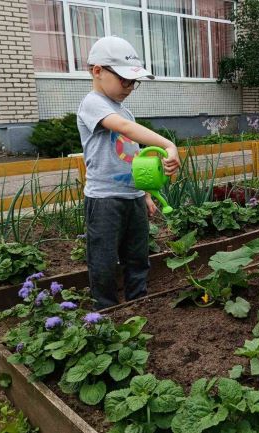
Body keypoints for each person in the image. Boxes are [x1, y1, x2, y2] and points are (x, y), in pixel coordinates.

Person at [77, 36, 181, 310]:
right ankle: (106, 311)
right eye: (124, 80)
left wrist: (145, 193)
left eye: (134, 82)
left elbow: (134, 157)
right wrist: (168, 144)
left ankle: (138, 303)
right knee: (103, 259)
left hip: (132, 197)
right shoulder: (92, 103)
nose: (130, 87)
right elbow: (124, 129)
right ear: (97, 71)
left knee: (137, 256)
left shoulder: (125, 112)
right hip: (104, 200)